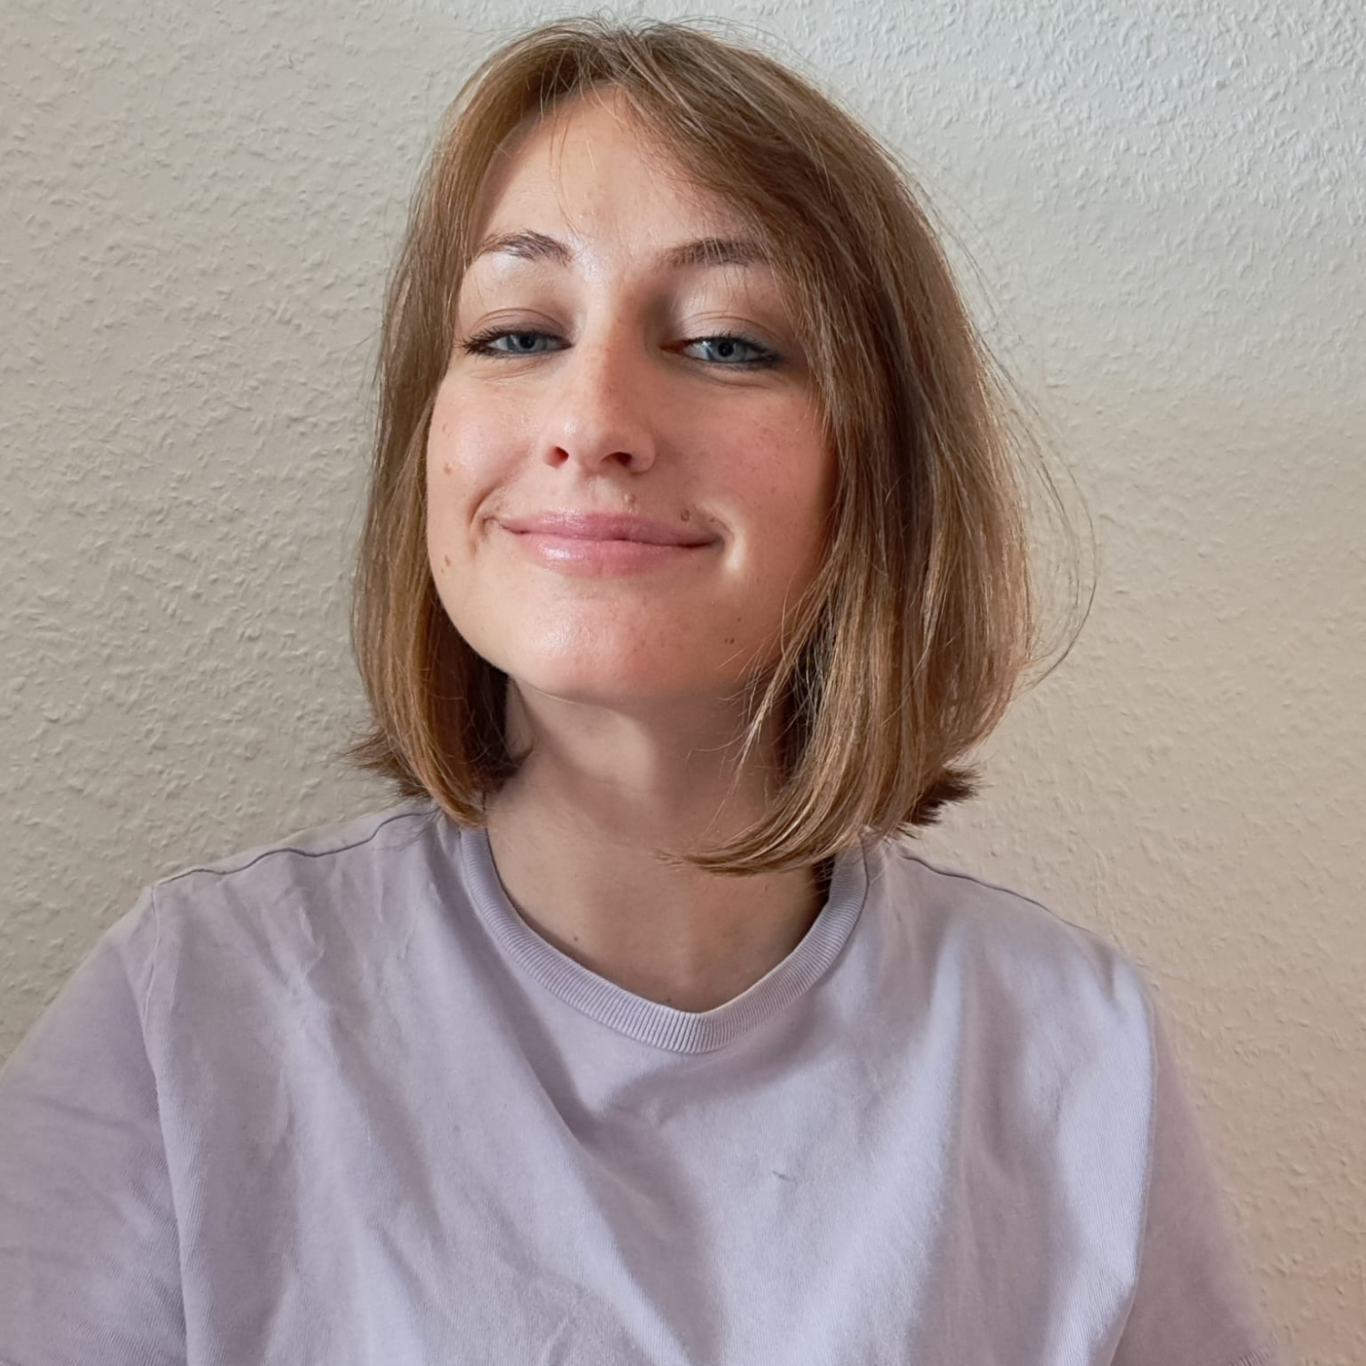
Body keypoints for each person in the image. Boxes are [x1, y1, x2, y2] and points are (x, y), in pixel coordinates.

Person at [0, 18, 1281, 1365]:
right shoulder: (192, 1017)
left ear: (881, 470)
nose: (592, 419)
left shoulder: (1073, 1051)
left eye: (726, 343)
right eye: (516, 332)